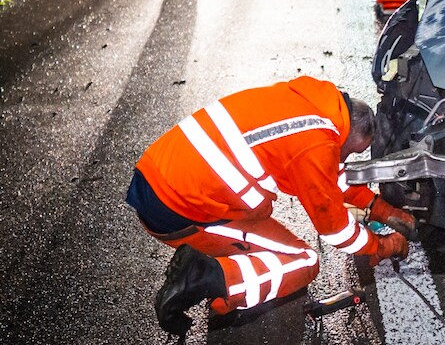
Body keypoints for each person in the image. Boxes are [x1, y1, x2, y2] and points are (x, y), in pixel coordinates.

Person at [125, 76, 415, 335]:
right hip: (180, 209)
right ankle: (207, 277)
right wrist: (380, 246)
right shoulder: (315, 146)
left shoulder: (312, 104)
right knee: (303, 261)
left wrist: (382, 210)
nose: (345, 161)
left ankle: (212, 269)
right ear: (347, 138)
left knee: (275, 241)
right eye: (351, 153)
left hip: (160, 176)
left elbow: (331, 177)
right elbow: (335, 229)